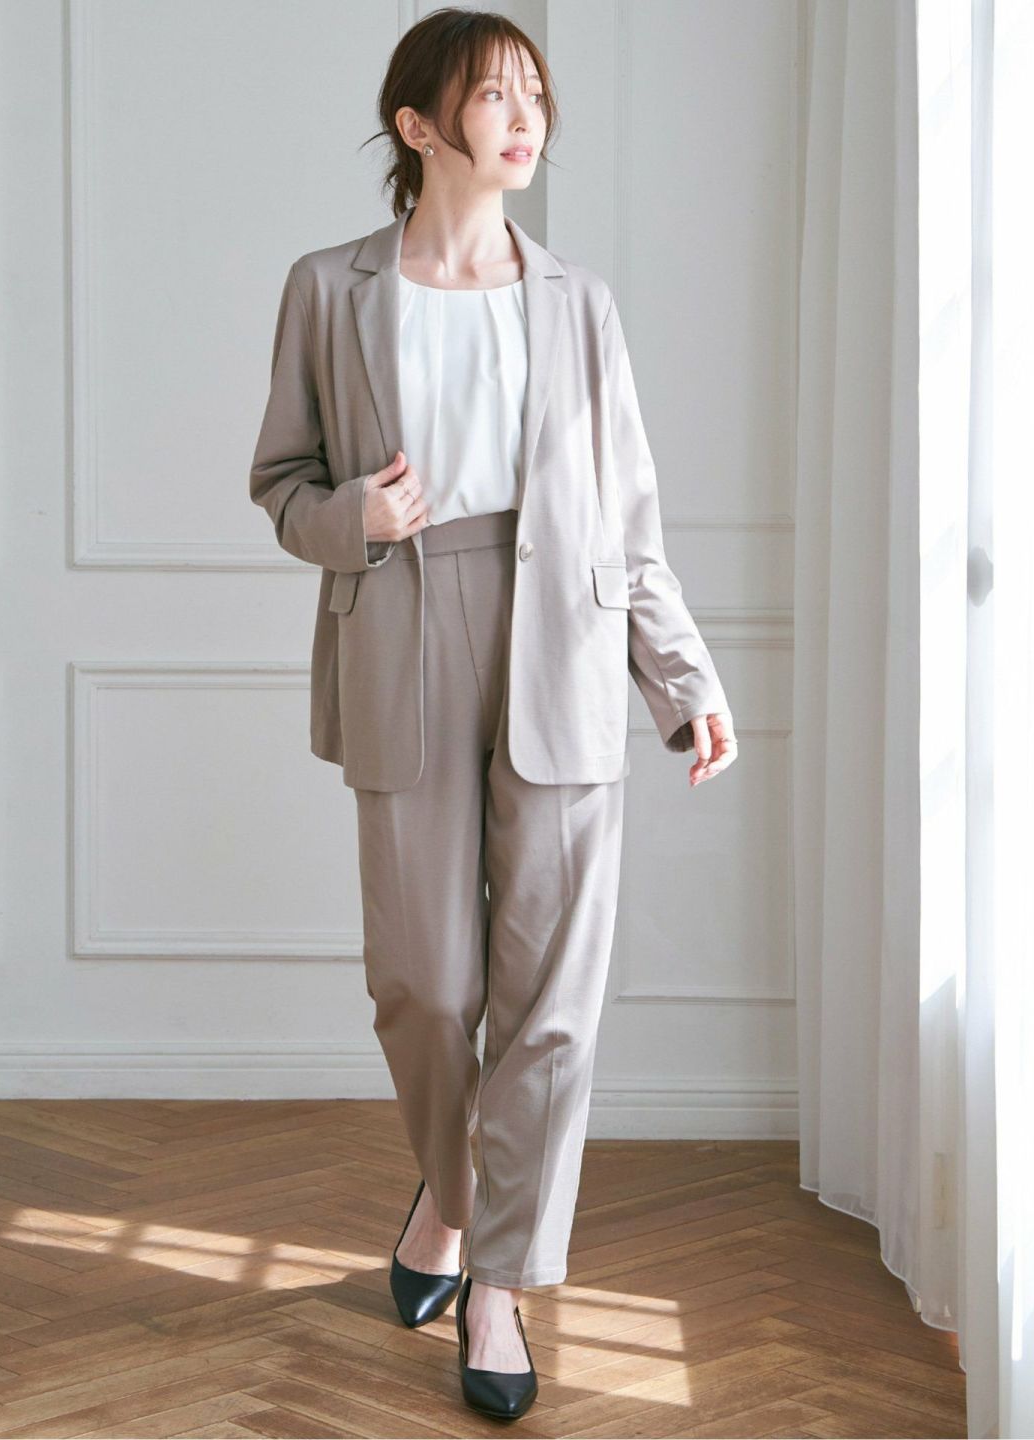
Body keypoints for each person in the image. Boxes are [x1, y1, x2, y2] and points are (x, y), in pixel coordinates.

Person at [249, 8, 737, 1420]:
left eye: (536, 95)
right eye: (493, 97)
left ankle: (503, 1286)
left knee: (550, 1003)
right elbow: (280, 483)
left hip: (565, 641)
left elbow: (628, 516)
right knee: (425, 983)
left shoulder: (579, 303)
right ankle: (454, 1195)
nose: (526, 120)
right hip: (405, 629)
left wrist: (683, 678)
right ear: (419, 126)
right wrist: (353, 514)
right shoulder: (330, 289)